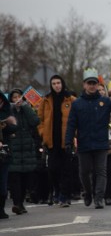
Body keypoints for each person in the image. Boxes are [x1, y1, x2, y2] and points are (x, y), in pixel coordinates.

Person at [65, 68, 111, 209]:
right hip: (84, 143)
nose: (92, 86)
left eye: (94, 83)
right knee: (84, 172)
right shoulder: (77, 104)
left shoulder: (104, 101)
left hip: (101, 143)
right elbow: (71, 124)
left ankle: (99, 198)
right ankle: (88, 192)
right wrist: (68, 141)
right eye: (89, 83)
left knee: (101, 171)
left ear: (98, 85)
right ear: (84, 85)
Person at [37, 75, 76, 207]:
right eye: (54, 83)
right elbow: (40, 120)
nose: (57, 85)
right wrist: (43, 133)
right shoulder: (46, 100)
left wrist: (74, 136)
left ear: (63, 83)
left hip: (66, 140)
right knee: (53, 169)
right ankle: (58, 190)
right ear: (51, 85)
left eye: (59, 83)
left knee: (66, 169)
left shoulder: (71, 99)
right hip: (51, 140)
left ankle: (64, 196)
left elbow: (77, 119)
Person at [7, 89, 40, 215]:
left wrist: (26, 107)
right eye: (14, 97)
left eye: (19, 97)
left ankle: (21, 202)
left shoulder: (27, 110)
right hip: (14, 148)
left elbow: (35, 121)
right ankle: (17, 203)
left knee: (26, 178)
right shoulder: (8, 111)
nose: (17, 100)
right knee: (15, 178)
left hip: (27, 149)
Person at [1, 91, 19, 219]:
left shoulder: (7, 110)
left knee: (3, 184)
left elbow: (14, 127)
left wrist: (5, 124)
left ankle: (1, 209)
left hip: (4, 153)